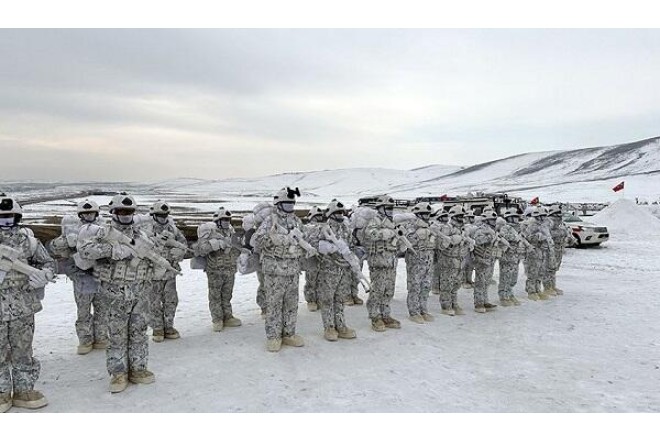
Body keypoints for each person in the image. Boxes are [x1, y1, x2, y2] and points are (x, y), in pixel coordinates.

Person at [77, 192, 157, 393]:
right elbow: (85, 251)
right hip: (113, 294)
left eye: (129, 211)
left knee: (139, 331)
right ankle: (118, 373)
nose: (125, 214)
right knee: (117, 335)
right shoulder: (102, 232)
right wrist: (113, 251)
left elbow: (150, 256)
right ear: (113, 212)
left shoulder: (141, 235)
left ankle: (138, 369)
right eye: (121, 211)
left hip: (139, 292)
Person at [0, 194, 54, 412]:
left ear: (17, 218)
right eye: (1, 218)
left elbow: (48, 262)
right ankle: (2, 392)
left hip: (23, 306)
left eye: (9, 218)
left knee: (23, 350)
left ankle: (24, 390)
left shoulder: (29, 242)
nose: (5, 222)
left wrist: (45, 274)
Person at [252, 187, 317, 352]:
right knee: (274, 304)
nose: (289, 208)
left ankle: (289, 334)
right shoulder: (270, 220)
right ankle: (273, 336)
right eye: (286, 204)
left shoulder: (296, 221)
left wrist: (304, 248)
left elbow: (304, 240)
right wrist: (276, 239)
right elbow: (257, 242)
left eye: (291, 205)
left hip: (292, 270)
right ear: (278, 204)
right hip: (275, 271)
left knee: (291, 304)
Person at [48, 199, 107, 354]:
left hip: (101, 276)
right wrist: (64, 241)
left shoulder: (103, 228)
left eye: (91, 213)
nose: (89, 215)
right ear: (80, 215)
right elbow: (54, 248)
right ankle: (85, 340)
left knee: (102, 310)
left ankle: (101, 338)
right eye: (85, 213)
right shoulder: (71, 229)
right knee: (83, 311)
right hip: (82, 277)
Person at [143, 201, 187, 341]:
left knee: (171, 300)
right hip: (153, 273)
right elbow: (141, 247)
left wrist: (179, 251)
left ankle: (168, 326)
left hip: (169, 273)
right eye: (160, 215)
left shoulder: (173, 229)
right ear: (154, 215)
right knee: (154, 301)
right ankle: (157, 328)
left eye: (165, 215)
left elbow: (183, 244)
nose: (163, 218)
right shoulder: (147, 230)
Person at [315, 199, 358, 341]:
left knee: (340, 299)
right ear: (331, 214)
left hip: (343, 270)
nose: (340, 215)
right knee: (327, 300)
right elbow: (314, 243)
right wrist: (329, 247)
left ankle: (341, 326)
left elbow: (351, 244)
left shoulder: (345, 228)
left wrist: (354, 255)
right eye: (337, 212)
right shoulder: (323, 228)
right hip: (328, 270)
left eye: (341, 212)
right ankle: (329, 327)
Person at [195, 207, 242, 332]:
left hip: (230, 269)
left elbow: (237, 248)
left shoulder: (231, 232)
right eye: (224, 219)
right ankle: (217, 319)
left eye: (228, 219)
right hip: (215, 270)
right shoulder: (209, 232)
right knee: (215, 296)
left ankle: (228, 316)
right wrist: (214, 244)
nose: (226, 221)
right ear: (218, 220)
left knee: (227, 295)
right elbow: (200, 249)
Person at [363, 194, 401, 331]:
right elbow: (370, 234)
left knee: (388, 290)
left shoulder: (392, 222)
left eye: (391, 207)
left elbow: (399, 239)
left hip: (391, 261)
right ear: (380, 208)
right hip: (378, 261)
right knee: (377, 290)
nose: (390, 210)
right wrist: (388, 233)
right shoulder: (374, 220)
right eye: (388, 207)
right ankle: (375, 316)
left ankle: (386, 315)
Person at [433, 205, 471, 316]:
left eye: (462, 216)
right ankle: (446, 305)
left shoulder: (462, 229)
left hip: (459, 260)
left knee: (456, 283)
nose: (462, 218)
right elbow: (440, 245)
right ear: (454, 216)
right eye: (459, 216)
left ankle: (454, 303)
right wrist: (452, 240)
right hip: (448, 261)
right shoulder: (447, 228)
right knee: (447, 284)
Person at [402, 203, 436, 323]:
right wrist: (418, 235)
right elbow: (406, 242)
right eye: (424, 214)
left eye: (428, 214)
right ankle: (414, 312)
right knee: (414, 287)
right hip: (415, 262)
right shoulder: (411, 226)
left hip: (428, 261)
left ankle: (423, 310)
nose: (427, 216)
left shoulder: (430, 226)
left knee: (426, 287)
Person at [472, 209, 509, 313]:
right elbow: (478, 241)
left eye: (494, 220)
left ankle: (485, 301)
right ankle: (478, 303)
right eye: (492, 220)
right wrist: (490, 237)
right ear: (487, 220)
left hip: (490, 258)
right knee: (480, 281)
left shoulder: (493, 230)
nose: (494, 221)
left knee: (487, 281)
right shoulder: (481, 229)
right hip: (482, 259)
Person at [521, 207, 554, 301]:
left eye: (545, 216)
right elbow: (526, 238)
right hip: (534, 251)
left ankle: (538, 290)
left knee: (540, 272)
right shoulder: (531, 225)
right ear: (537, 216)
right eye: (542, 216)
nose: (544, 218)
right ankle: (531, 291)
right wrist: (538, 237)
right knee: (533, 272)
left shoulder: (544, 226)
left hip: (543, 251)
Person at [496, 208, 526, 306]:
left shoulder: (519, 228)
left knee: (513, 278)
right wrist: (517, 238)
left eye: (517, 217)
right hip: (507, 257)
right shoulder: (506, 228)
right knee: (505, 277)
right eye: (515, 217)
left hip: (516, 257)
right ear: (510, 218)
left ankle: (510, 293)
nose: (517, 219)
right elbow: (503, 237)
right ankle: (503, 296)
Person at [543, 205, 573, 296]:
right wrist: (560, 233)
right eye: (557, 215)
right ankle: (547, 287)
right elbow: (546, 234)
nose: (559, 217)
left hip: (559, 249)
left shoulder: (561, 223)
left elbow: (568, 233)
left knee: (554, 269)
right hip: (550, 249)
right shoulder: (548, 222)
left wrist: (568, 238)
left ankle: (552, 286)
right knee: (548, 269)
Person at [302, 206, 325, 312]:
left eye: (320, 217)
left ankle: (320, 298)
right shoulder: (306, 228)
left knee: (322, 279)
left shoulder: (325, 227)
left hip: (323, 257)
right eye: (317, 217)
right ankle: (311, 300)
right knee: (311, 279)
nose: (318, 219)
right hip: (311, 258)